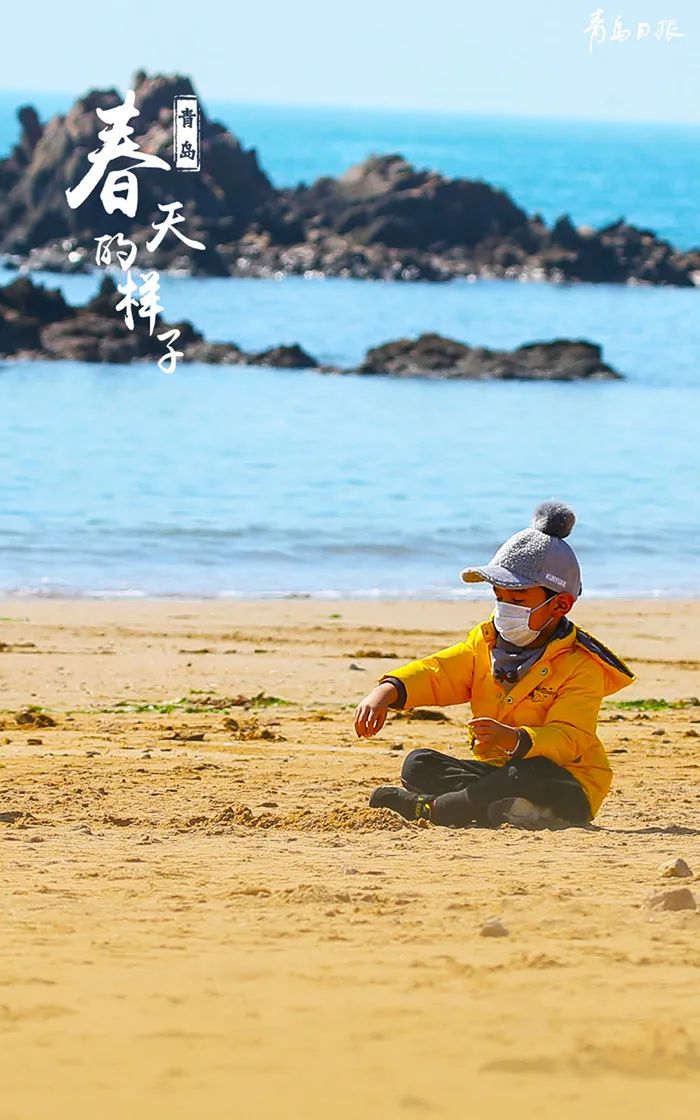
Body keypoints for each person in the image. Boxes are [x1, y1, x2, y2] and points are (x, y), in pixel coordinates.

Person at [354, 501, 636, 829]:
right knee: (419, 764)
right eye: (500, 597)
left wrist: (516, 739)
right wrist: (388, 690)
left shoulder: (581, 666)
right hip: (501, 773)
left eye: (518, 600)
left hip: (567, 782)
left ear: (560, 604)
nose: (505, 608)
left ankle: (440, 809)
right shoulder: (485, 643)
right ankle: (511, 810)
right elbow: (439, 673)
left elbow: (570, 738)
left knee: (527, 772)